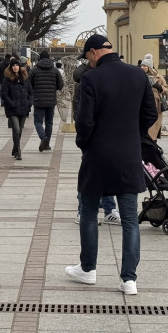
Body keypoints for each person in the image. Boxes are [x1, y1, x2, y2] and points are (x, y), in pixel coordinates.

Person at [65, 34, 158, 295]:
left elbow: (84, 121)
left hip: (98, 155)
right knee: (129, 219)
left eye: (87, 57)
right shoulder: (138, 75)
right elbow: (150, 113)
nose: (88, 62)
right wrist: (132, 135)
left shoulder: (90, 79)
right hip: (128, 154)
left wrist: (85, 144)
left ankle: (88, 270)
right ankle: (129, 280)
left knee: (88, 211)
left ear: (94, 52)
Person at [72, 56, 119, 224]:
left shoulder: (101, 79)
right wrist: (84, 137)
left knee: (107, 171)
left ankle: (109, 210)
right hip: (91, 135)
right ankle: (83, 211)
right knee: (89, 173)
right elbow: (80, 112)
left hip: (106, 133)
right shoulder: (86, 82)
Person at [30, 49, 64, 152]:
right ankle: (47, 144)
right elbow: (60, 85)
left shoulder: (34, 70)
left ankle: (43, 136)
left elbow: (29, 84)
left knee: (38, 121)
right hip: (51, 101)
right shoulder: (55, 70)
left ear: (39, 59)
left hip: (38, 100)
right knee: (49, 123)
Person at [1, 58, 33, 160]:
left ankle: (15, 148)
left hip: (24, 107)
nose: (15, 67)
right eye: (13, 65)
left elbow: (31, 92)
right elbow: (4, 94)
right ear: (10, 67)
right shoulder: (7, 80)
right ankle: (18, 150)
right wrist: (12, 103)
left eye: (17, 65)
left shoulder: (25, 78)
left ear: (19, 67)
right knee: (16, 129)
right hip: (12, 109)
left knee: (20, 130)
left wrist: (29, 102)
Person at [140, 58, 168, 140]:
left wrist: (159, 87)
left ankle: (153, 143)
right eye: (141, 65)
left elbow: (167, 90)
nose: (142, 67)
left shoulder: (158, 77)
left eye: (144, 65)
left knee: (153, 128)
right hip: (142, 103)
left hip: (156, 104)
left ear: (149, 67)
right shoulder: (139, 76)